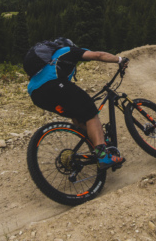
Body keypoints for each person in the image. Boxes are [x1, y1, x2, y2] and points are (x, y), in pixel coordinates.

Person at [26, 39, 129, 170]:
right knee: (90, 112)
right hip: (54, 85)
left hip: (36, 95)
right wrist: (120, 60)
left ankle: (98, 145)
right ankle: (103, 155)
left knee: (78, 115)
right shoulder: (67, 50)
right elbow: (98, 55)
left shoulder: (47, 62)